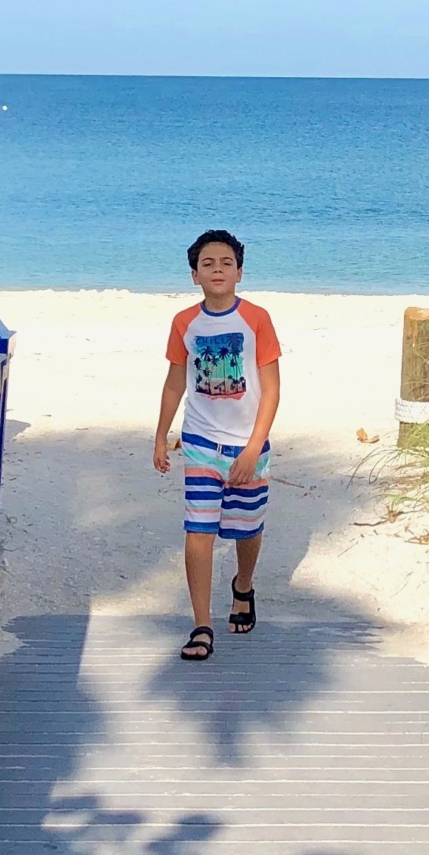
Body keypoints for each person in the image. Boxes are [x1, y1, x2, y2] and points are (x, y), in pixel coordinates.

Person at [153, 229, 281, 662]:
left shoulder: (257, 319)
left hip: (248, 445)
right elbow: (175, 381)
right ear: (194, 275)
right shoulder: (184, 323)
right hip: (200, 443)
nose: (218, 270)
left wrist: (252, 449)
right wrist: (160, 434)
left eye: (226, 263)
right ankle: (202, 625)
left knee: (247, 529)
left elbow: (272, 389)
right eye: (208, 264)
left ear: (240, 271)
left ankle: (243, 584)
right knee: (198, 530)